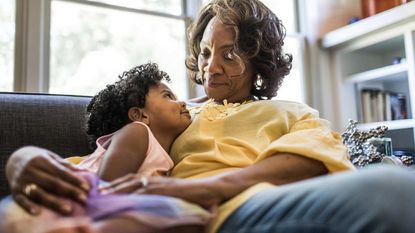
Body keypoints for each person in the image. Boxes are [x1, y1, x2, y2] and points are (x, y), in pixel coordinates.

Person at [5, 0, 415, 232]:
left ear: (260, 65)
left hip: (245, 210)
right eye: (204, 53)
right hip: (162, 214)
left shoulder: (290, 112)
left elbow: (314, 162)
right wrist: (21, 160)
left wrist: (208, 189)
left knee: (393, 190)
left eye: (229, 55)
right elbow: (100, 167)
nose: (210, 68)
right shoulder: (169, 114)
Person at [0, 62, 211, 233]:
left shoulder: (164, 154)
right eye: (168, 96)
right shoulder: (137, 132)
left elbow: (199, 102)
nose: (182, 103)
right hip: (78, 196)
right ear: (140, 115)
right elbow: (108, 185)